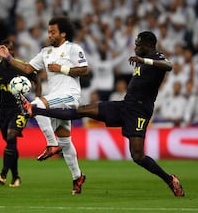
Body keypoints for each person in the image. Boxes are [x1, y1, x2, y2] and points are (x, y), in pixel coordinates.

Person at [21, 31, 185, 197]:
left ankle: (170, 180)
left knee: (137, 156)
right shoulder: (144, 61)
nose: (135, 48)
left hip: (139, 112)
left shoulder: (157, 57)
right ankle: (35, 109)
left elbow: (168, 66)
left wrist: (144, 60)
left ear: (148, 46)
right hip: (124, 105)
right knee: (81, 110)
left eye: (138, 45)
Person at [0, 16, 89, 195]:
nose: (50, 35)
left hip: (69, 96)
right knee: (66, 141)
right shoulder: (45, 52)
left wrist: (62, 69)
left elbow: (84, 70)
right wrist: (8, 57)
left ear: (63, 33)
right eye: (49, 31)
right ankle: (78, 177)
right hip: (55, 98)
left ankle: (50, 144)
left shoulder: (73, 49)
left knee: (36, 104)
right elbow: (28, 69)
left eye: (53, 32)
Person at [0, 39, 40, 187]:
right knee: (10, 142)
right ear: (0, 52)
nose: (9, 52)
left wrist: (37, 101)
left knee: (12, 135)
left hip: (20, 109)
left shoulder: (22, 66)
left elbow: (37, 81)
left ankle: (3, 174)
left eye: (11, 49)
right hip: (3, 111)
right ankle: (16, 177)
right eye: (6, 49)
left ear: (13, 52)